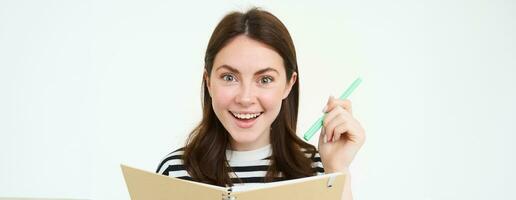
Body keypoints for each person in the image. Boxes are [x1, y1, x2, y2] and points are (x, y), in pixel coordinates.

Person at [156, 7, 365, 200]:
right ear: (209, 82)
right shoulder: (173, 173)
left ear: (288, 85)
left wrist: (338, 169)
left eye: (265, 80)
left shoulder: (320, 171)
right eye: (229, 77)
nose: (245, 98)